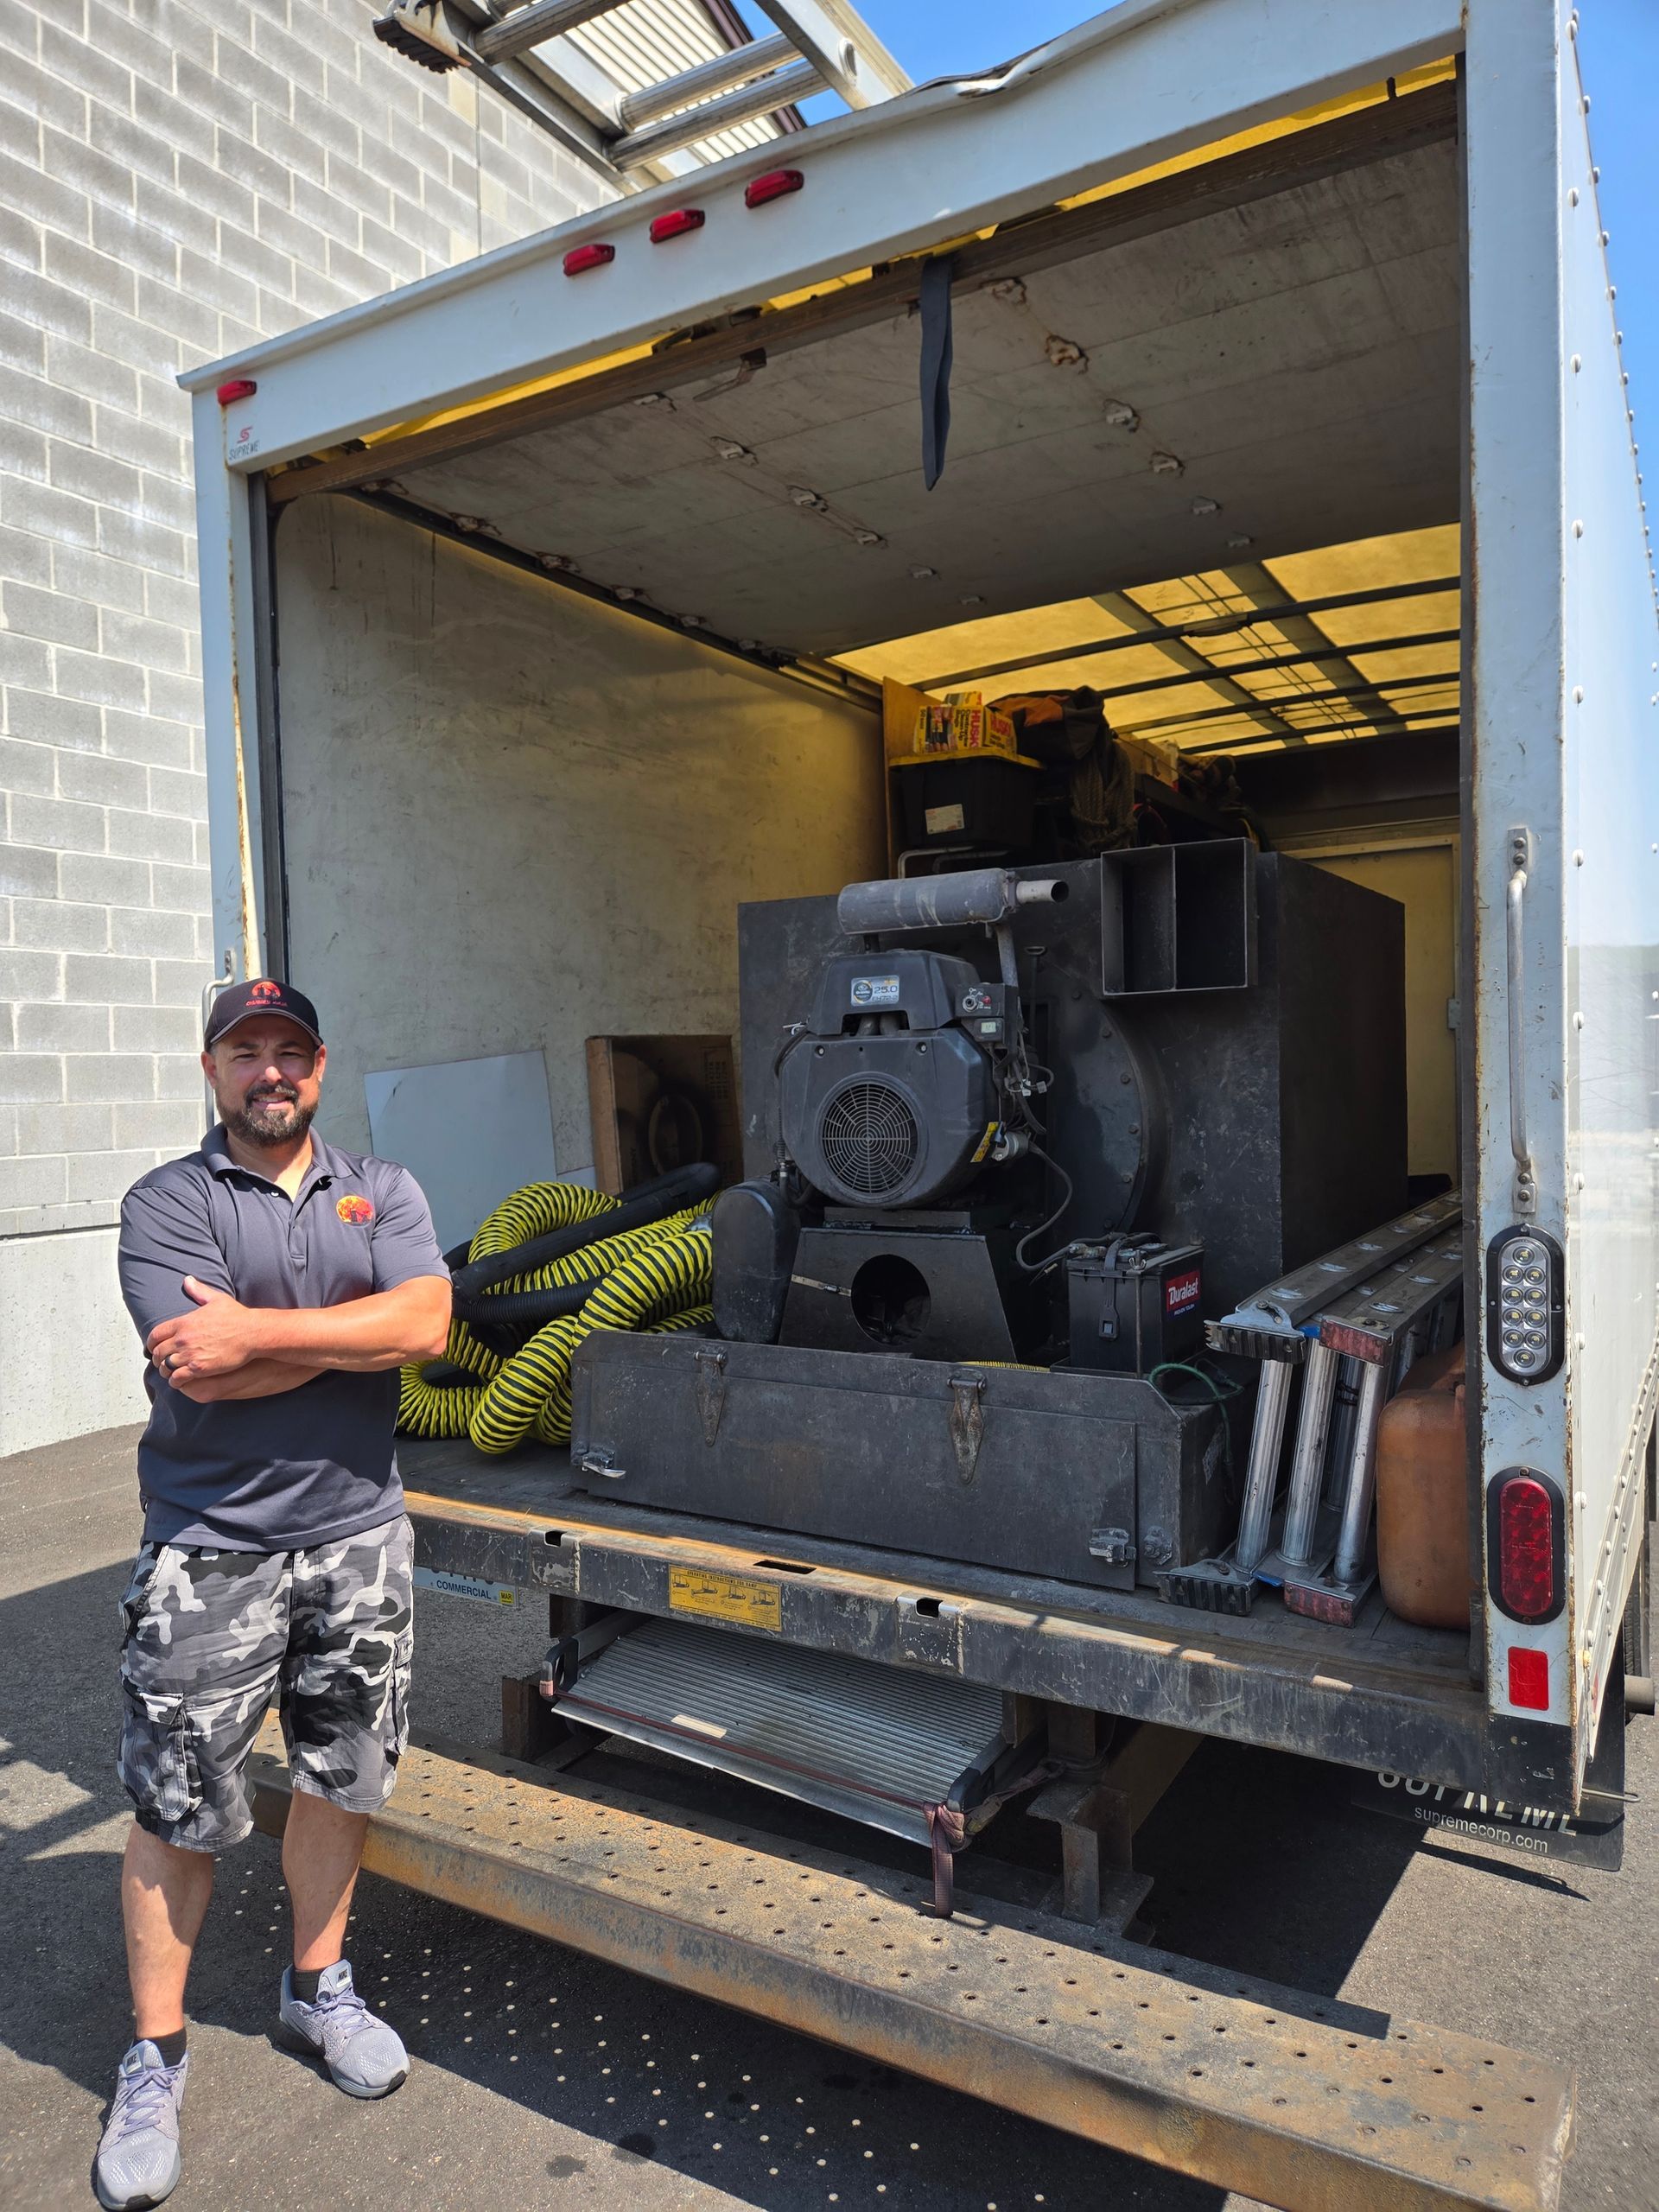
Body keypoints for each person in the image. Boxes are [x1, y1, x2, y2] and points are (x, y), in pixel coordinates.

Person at [95, 979, 452, 2212]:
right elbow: (199, 1372)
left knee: (338, 1781)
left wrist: (262, 1335)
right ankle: (157, 2055)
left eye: (288, 1051)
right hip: (211, 1552)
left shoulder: (382, 1189)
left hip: (361, 1542)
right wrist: (338, 1336)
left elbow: (431, 1324)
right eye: (244, 1052)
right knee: (177, 1807)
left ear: (319, 1064)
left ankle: (317, 1990)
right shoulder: (168, 1204)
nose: (269, 1072)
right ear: (210, 1070)